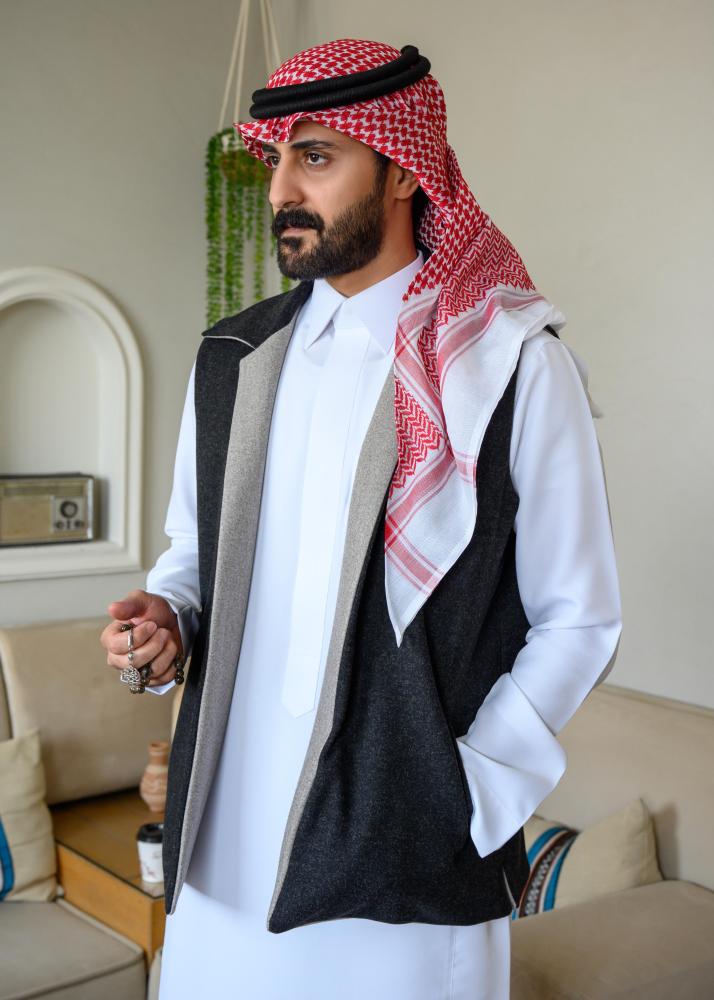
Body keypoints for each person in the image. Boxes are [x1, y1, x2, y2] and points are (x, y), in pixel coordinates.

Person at [100, 38, 622, 1000]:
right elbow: (192, 553)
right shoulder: (233, 357)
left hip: (404, 853)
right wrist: (169, 619)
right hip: (221, 842)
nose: (282, 191)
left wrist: (468, 790)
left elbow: (579, 618)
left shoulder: (509, 364)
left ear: (403, 170)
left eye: (316, 157)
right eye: (276, 160)